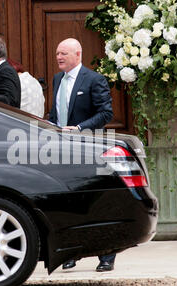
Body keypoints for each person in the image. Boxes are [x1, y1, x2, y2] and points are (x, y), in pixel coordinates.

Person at [49, 38, 115, 272]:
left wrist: (79, 129)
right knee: (67, 201)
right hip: (62, 150)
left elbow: (106, 113)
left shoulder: (94, 79)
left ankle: (106, 254)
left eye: (64, 53)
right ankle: (71, 251)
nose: (59, 57)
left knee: (97, 202)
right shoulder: (57, 79)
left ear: (78, 54)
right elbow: (55, 113)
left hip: (89, 148)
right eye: (57, 53)